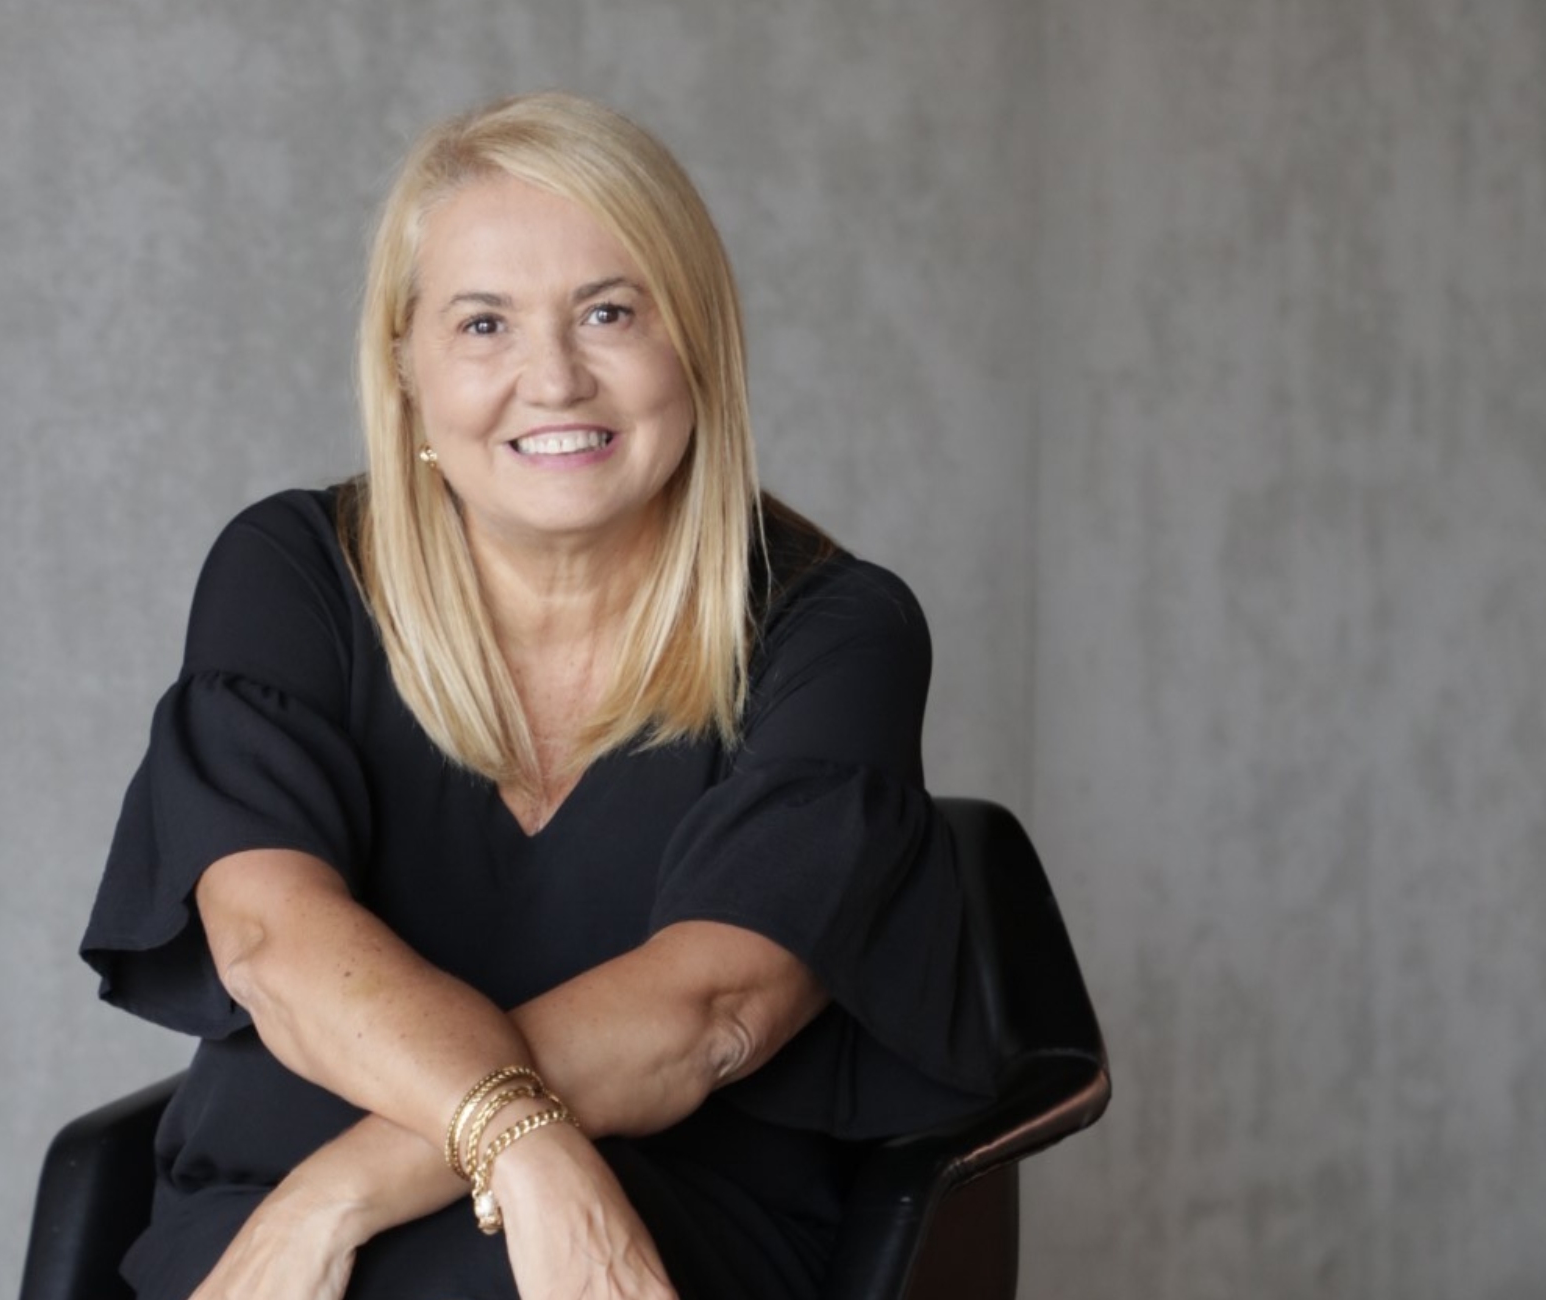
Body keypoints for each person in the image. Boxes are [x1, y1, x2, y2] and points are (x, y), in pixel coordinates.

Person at [81, 91, 992, 1300]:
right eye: (483, 324)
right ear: (404, 365)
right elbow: (269, 940)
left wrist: (350, 1188)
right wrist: (521, 1147)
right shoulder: (293, 574)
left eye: (609, 312)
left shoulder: (832, 629)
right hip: (264, 1220)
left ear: (697, 342)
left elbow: (712, 1005)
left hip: (654, 1222)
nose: (552, 378)